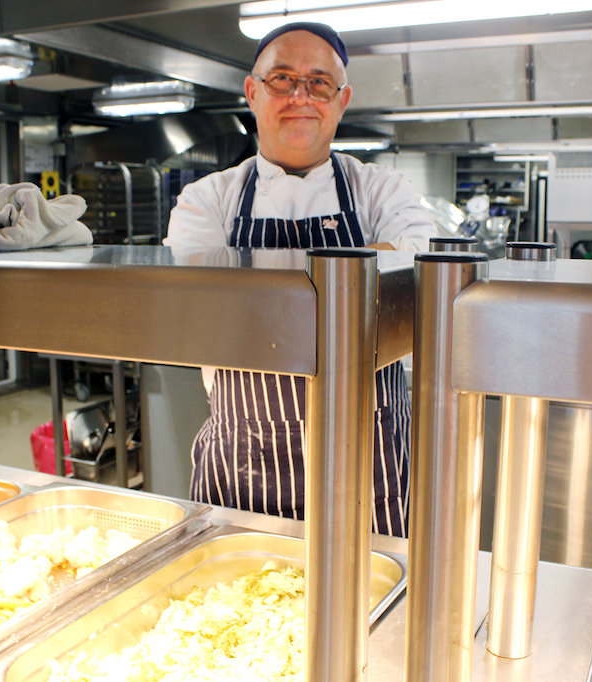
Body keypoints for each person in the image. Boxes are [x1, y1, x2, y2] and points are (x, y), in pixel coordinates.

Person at [163, 22, 437, 538]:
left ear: (341, 99)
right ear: (252, 91)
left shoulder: (382, 190)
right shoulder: (207, 199)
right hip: (244, 455)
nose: (300, 97)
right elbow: (197, 296)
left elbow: (415, 266)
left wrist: (251, 280)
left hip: (369, 455)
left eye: (319, 83)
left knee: (370, 607)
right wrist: (356, 269)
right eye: (282, 79)